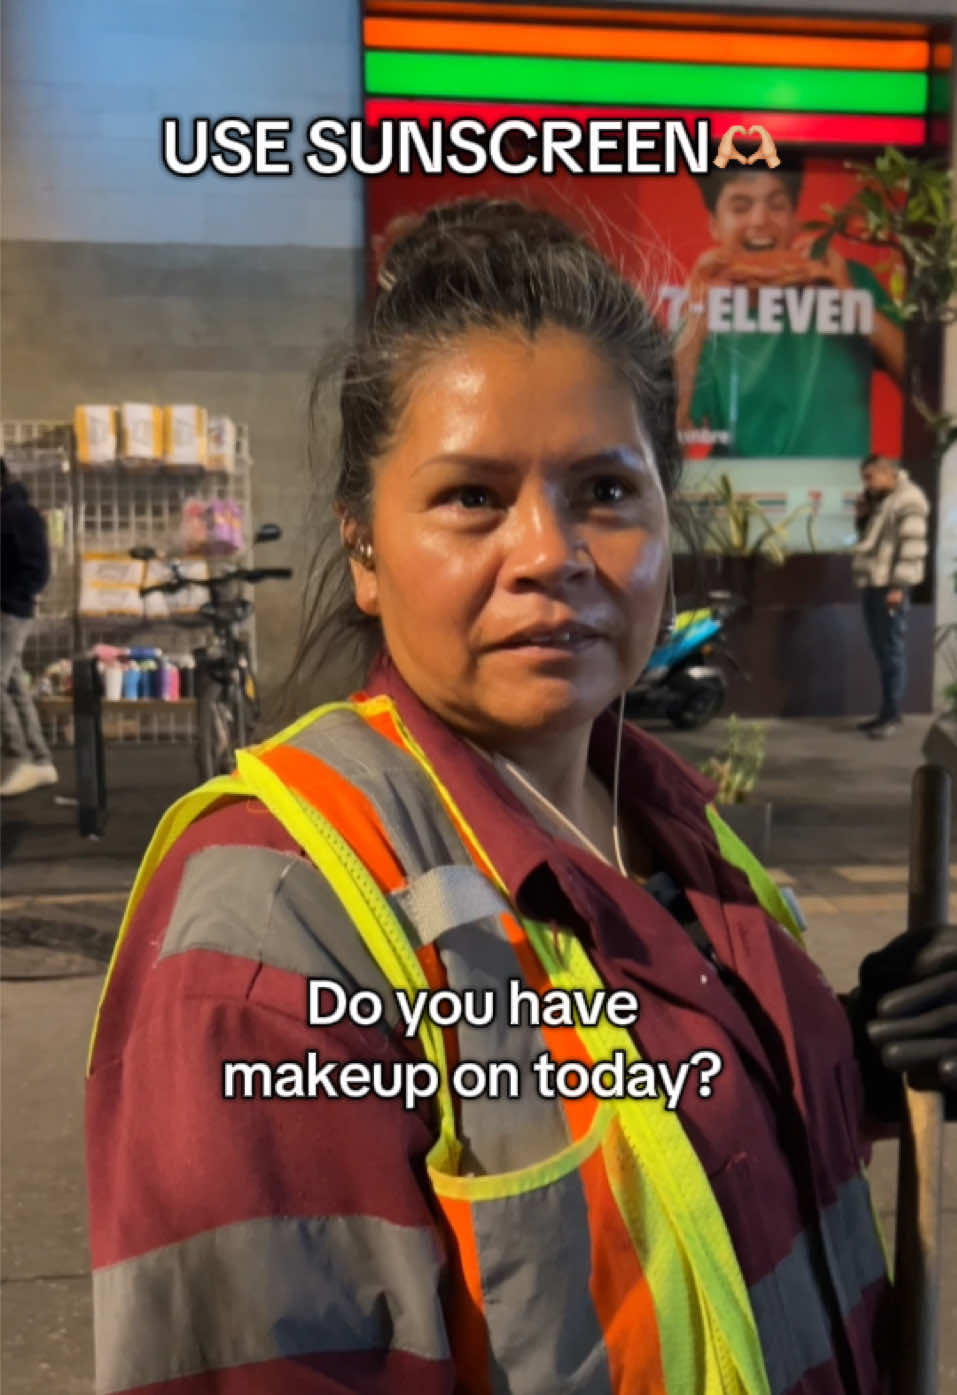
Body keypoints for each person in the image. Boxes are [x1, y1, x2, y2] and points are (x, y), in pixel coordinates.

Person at [86, 199, 956, 1395]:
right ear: (365, 550)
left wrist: (838, 1059)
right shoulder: (272, 925)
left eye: (605, 490)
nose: (550, 551)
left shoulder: (673, 820)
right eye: (473, 498)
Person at [675, 157, 906, 458]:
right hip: (737, 496)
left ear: (796, 219)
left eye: (777, 204)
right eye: (741, 206)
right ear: (715, 226)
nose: (760, 220)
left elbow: (927, 388)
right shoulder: (702, 307)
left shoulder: (849, 281)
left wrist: (851, 301)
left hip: (840, 495)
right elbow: (669, 442)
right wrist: (697, 320)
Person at [852, 453, 930, 739]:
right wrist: (863, 517)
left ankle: (893, 716)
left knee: (892, 651)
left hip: (891, 588)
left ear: (887, 472)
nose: (867, 484)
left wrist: (898, 586)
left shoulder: (909, 499)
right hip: (874, 583)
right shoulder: (882, 500)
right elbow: (869, 542)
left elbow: (912, 547)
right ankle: (885, 712)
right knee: (882, 651)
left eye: (870, 477)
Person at [0, 457, 58, 796]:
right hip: (9, 609)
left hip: (9, 611)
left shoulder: (19, 515)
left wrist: (12, 597)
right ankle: (38, 759)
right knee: (12, 687)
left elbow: (38, 570)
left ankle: (23, 757)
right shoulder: (11, 513)